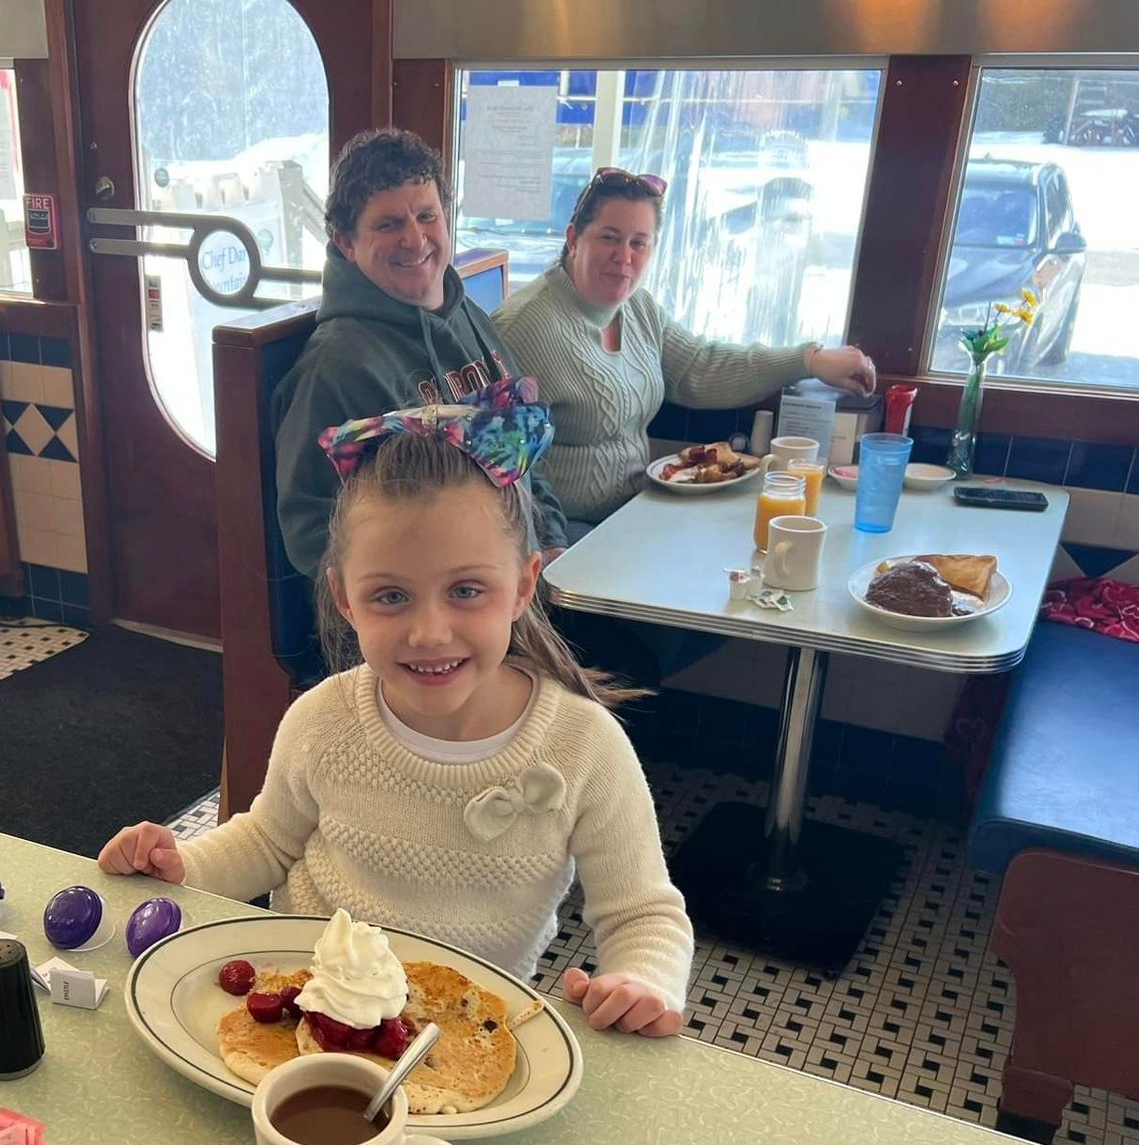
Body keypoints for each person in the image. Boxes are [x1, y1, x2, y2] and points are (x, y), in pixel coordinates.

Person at [103, 382, 692, 1037]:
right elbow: (267, 842)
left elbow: (643, 913)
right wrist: (182, 865)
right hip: (308, 1014)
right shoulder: (323, 720)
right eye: (390, 597)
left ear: (524, 585)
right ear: (345, 599)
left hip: (462, 1036)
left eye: (466, 590)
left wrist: (643, 982)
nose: (429, 633)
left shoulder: (583, 746)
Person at [494, 167, 876, 534]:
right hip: (565, 532)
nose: (624, 256)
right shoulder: (522, 328)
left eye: (638, 242)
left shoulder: (638, 308)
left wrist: (808, 360)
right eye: (609, 238)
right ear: (574, 238)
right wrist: (549, 543)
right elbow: (498, 467)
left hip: (636, 510)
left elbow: (700, 366)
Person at [273, 128, 568, 580]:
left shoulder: (469, 316)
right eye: (388, 225)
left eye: (427, 216)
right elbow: (311, 533)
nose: (415, 239)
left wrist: (551, 541)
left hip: (522, 580)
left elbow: (523, 456)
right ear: (346, 243)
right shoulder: (332, 367)